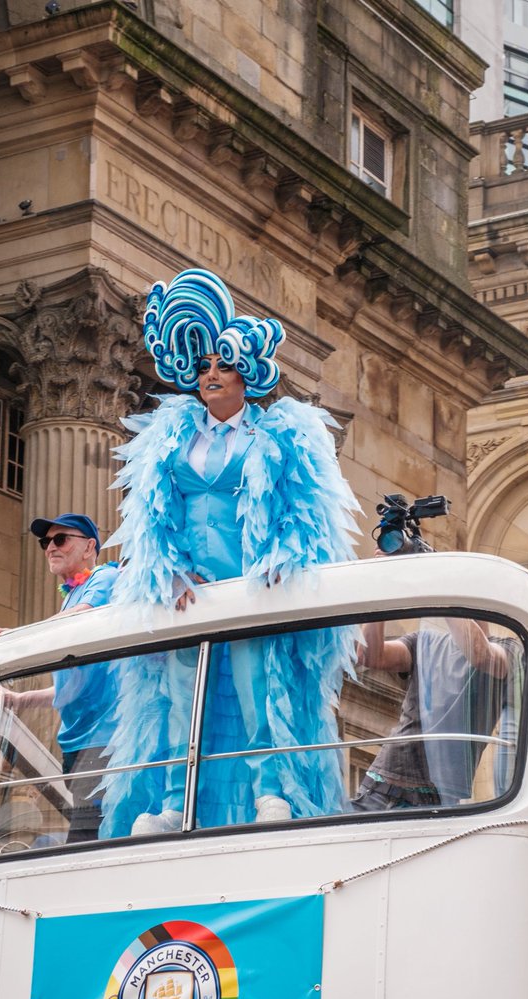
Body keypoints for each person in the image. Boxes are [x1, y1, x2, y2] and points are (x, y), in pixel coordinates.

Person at [99, 267, 361, 838]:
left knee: (258, 691)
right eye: (204, 368)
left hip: (249, 590)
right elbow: (150, 514)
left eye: (223, 367)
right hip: (189, 593)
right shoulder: (173, 434)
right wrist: (165, 570)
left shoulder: (278, 434)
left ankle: (272, 790)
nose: (212, 376)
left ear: (247, 376)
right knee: (177, 697)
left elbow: (303, 514)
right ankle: (175, 801)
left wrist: (278, 560)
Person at [0, 513, 118, 841]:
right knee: (88, 833)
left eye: (60, 539)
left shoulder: (104, 577)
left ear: (89, 547)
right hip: (78, 741)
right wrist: (20, 699)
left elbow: (80, 618)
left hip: (103, 740)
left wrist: (18, 636)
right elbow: (68, 687)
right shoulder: (73, 594)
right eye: (46, 542)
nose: (50, 548)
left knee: (85, 838)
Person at [353, 613, 516, 811]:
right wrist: (378, 605)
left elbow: (480, 654)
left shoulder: (510, 650)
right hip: (381, 786)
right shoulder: (424, 641)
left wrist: (445, 597)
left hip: (435, 801)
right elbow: (370, 657)